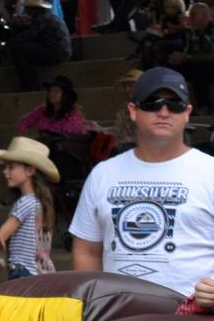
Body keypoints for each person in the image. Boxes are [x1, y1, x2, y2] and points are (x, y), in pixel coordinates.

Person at [70, 67, 214, 298]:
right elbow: (87, 251)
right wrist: (90, 305)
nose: (164, 112)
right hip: (115, 318)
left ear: (187, 112)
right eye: (152, 103)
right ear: (133, 110)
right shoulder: (103, 173)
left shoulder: (210, 172)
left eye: (174, 104)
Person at [0, 137, 58, 280]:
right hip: (39, 274)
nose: (5, 171)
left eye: (11, 167)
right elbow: (28, 248)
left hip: (22, 273)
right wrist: (2, 263)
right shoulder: (40, 204)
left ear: (30, 170)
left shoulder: (25, 203)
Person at [4, 0, 71, 90]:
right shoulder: (46, 16)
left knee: (18, 48)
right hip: (58, 50)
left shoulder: (42, 18)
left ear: (31, 8)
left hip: (56, 52)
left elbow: (26, 36)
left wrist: (5, 45)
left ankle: (30, 85)